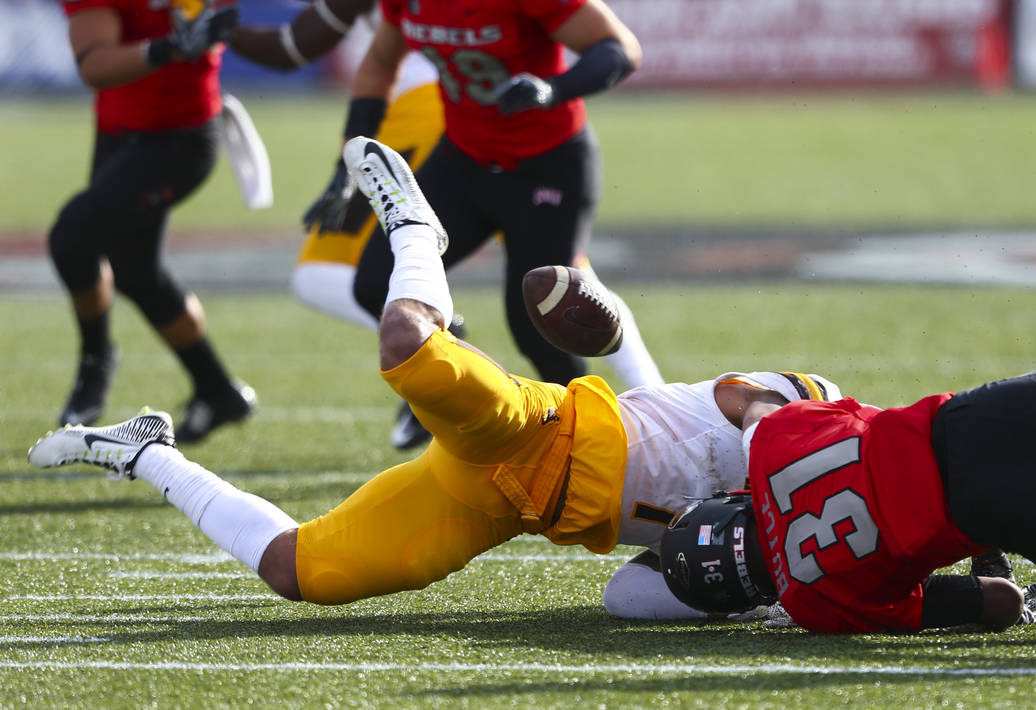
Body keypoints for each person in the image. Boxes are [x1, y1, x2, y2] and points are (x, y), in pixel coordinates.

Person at [28, 138, 838, 612]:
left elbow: (635, 592)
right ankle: (420, 231)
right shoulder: (802, 417)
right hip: (537, 424)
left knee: (302, 573)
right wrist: (764, 491)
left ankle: (142, 451)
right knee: (406, 345)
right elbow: (755, 404)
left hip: (497, 504)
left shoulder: (792, 535)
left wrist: (755, 582)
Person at [229, 0, 664, 450]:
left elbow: (620, 49)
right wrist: (348, 163)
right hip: (464, 161)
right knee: (375, 283)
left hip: (547, 166)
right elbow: (379, 64)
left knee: (537, 325)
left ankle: (603, 443)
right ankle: (467, 392)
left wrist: (555, 88)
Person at [659, 365, 1036, 632]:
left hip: (988, 510)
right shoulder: (769, 443)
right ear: (727, 503)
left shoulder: (813, 604)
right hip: (967, 421)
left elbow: (1001, 599)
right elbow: (759, 406)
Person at [50, 0, 256, 444]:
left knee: (72, 237)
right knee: (136, 272)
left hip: (180, 139)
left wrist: (202, 34)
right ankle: (218, 390)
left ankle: (96, 359)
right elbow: (94, 64)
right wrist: (167, 48)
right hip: (119, 131)